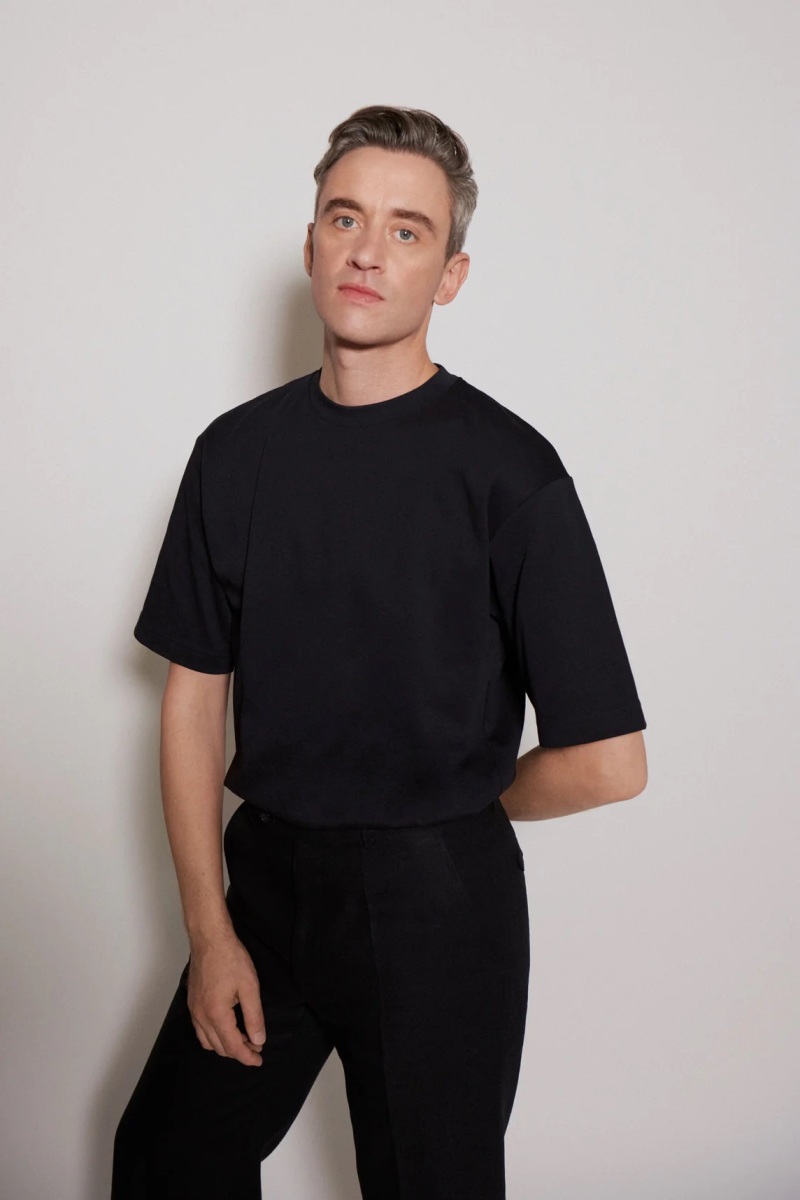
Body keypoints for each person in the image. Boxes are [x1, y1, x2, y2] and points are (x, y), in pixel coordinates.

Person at [111, 104, 648, 1200]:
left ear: (449, 277)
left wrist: (457, 808)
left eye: (408, 231)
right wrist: (210, 931)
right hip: (265, 887)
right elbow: (192, 704)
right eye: (345, 217)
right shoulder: (234, 455)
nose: (367, 250)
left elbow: (609, 762)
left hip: (436, 907)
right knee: (167, 1159)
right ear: (310, 241)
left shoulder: (510, 473)